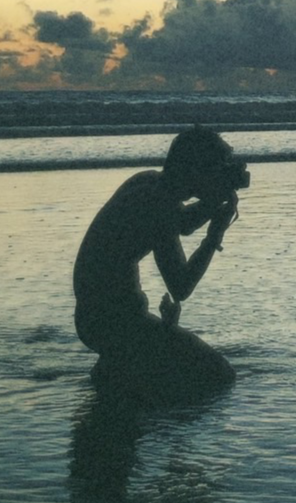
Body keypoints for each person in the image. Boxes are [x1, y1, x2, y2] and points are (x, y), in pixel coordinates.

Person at [73, 126, 248, 395]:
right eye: (217, 169)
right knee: (221, 374)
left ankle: (120, 369)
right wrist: (214, 236)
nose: (222, 176)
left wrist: (213, 202)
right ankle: (121, 368)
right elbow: (180, 287)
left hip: (96, 317)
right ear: (195, 170)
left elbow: (181, 223)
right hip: (114, 323)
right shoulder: (158, 205)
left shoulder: (148, 182)